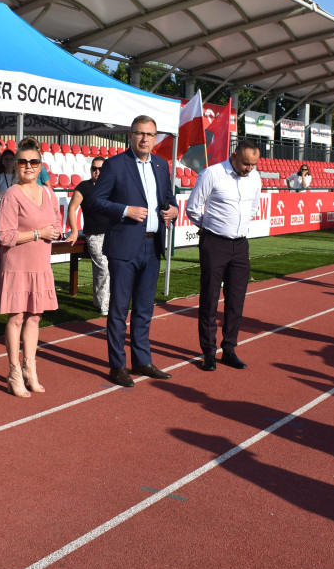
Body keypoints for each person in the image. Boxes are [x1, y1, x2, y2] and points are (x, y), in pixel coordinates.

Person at [88, 116, 179, 387]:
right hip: (124, 246)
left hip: (152, 245)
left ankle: (142, 361)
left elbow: (169, 199)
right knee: (118, 310)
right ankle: (117, 365)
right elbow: (95, 200)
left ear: (155, 138)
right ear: (130, 135)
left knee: (144, 309)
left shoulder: (162, 165)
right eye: (140, 134)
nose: (144, 139)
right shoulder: (115, 164)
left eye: (150, 135)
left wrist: (174, 210)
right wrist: (125, 210)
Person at [186, 141, 262, 371]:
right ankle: (208, 352)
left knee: (236, 301)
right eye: (246, 163)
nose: (249, 168)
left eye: (254, 164)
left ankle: (229, 349)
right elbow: (193, 207)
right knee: (209, 299)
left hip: (240, 245)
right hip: (214, 243)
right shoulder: (213, 173)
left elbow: (253, 207)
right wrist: (208, 226)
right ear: (234, 155)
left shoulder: (255, 178)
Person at [0, 144, 62, 396]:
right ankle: (13, 373)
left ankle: (30, 369)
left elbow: (55, 220)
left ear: (41, 164)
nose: (29, 167)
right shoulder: (12, 194)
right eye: (23, 162)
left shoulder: (48, 192)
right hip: (17, 266)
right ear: (16, 165)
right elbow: (5, 236)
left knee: (35, 317)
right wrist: (38, 233)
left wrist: (55, 230)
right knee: (16, 317)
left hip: (40, 264)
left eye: (34, 162)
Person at [65, 156, 111, 315]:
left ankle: (100, 300)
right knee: (103, 267)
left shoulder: (112, 186)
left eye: (100, 169)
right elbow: (72, 208)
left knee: (110, 268)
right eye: (94, 168)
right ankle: (104, 303)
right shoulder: (84, 187)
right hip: (94, 235)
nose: (97, 172)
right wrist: (75, 231)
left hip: (111, 234)